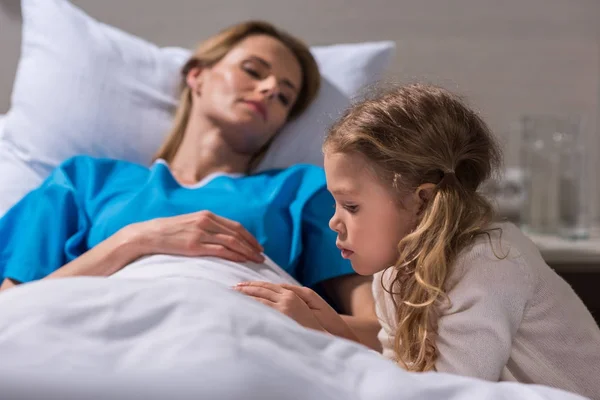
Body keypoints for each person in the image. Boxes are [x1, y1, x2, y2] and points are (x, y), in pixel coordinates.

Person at [0, 21, 381, 350]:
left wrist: (305, 318)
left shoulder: (304, 190)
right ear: (196, 75)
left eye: (284, 96)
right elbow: (12, 308)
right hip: (87, 334)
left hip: (245, 341)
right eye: (253, 70)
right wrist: (134, 241)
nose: (268, 90)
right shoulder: (84, 180)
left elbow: (382, 332)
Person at [234, 83, 600, 398]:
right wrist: (332, 326)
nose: (334, 221)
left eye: (351, 205)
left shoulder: (490, 261)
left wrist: (325, 339)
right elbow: (404, 378)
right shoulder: (392, 275)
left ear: (421, 200)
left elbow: (453, 392)